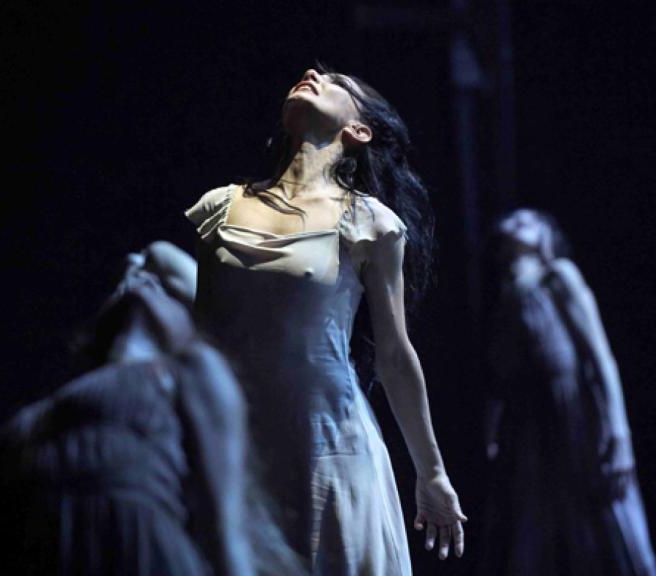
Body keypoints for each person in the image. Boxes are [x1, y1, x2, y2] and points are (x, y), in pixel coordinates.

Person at [186, 67, 466, 575]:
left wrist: (432, 475)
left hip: (331, 448)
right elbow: (193, 342)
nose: (311, 74)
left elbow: (396, 356)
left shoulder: (370, 222)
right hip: (238, 453)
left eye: (335, 81)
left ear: (358, 131)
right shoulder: (219, 208)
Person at [0, 243, 302, 576]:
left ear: (190, 324)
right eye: (131, 276)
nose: (139, 277)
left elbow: (225, 532)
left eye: (162, 286)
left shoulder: (192, 371)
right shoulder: (47, 410)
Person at [481, 209, 656, 576]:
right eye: (512, 220)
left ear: (547, 235)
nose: (517, 222)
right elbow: (500, 377)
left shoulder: (559, 276)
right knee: (538, 530)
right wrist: (493, 430)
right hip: (533, 421)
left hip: (575, 411)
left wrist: (619, 433)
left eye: (528, 220)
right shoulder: (509, 292)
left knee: (604, 517)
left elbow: (601, 358)